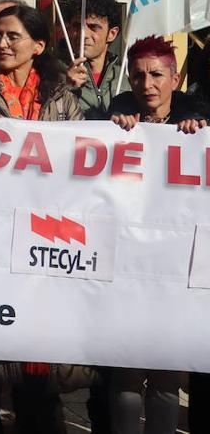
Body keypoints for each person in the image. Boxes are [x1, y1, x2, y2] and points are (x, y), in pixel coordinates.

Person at [0, 3, 82, 434]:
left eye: (12, 36)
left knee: (36, 375)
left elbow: (83, 166)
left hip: (43, 243)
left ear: (38, 45)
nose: (1, 43)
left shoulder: (63, 100)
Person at [102, 35, 202, 434]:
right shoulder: (119, 112)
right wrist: (115, 128)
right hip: (126, 265)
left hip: (178, 269)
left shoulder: (198, 117)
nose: (148, 85)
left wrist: (199, 131)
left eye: (157, 75)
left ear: (174, 78)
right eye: (139, 75)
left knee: (166, 376)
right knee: (126, 373)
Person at [63, 0, 124, 118]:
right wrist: (65, 88)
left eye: (93, 27)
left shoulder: (126, 80)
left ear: (112, 33)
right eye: (77, 26)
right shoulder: (52, 75)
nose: (83, 34)